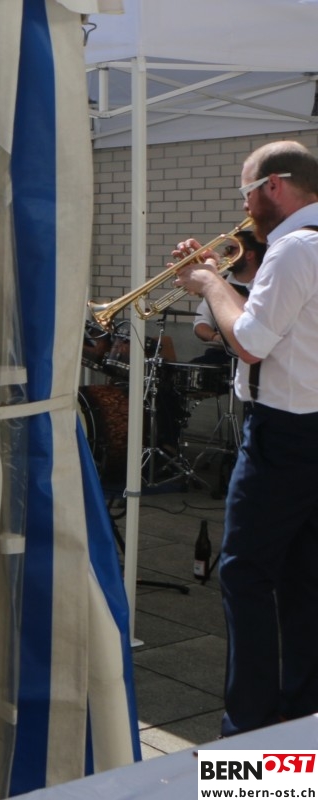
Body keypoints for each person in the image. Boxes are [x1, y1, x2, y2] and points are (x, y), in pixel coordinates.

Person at [174, 140, 318, 737]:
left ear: (273, 186)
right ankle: (302, 710)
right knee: (304, 574)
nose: (245, 206)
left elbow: (252, 342)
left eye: (247, 192)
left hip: (282, 432)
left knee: (244, 572)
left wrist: (210, 283)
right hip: (309, 425)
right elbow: (275, 320)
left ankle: (249, 728)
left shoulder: (294, 247)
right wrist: (222, 278)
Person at [192, 229, 266, 365]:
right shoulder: (219, 283)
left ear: (249, 254)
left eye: (230, 249)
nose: (225, 253)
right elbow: (201, 324)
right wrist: (215, 337)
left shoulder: (265, 286)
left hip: (258, 359)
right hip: (222, 356)